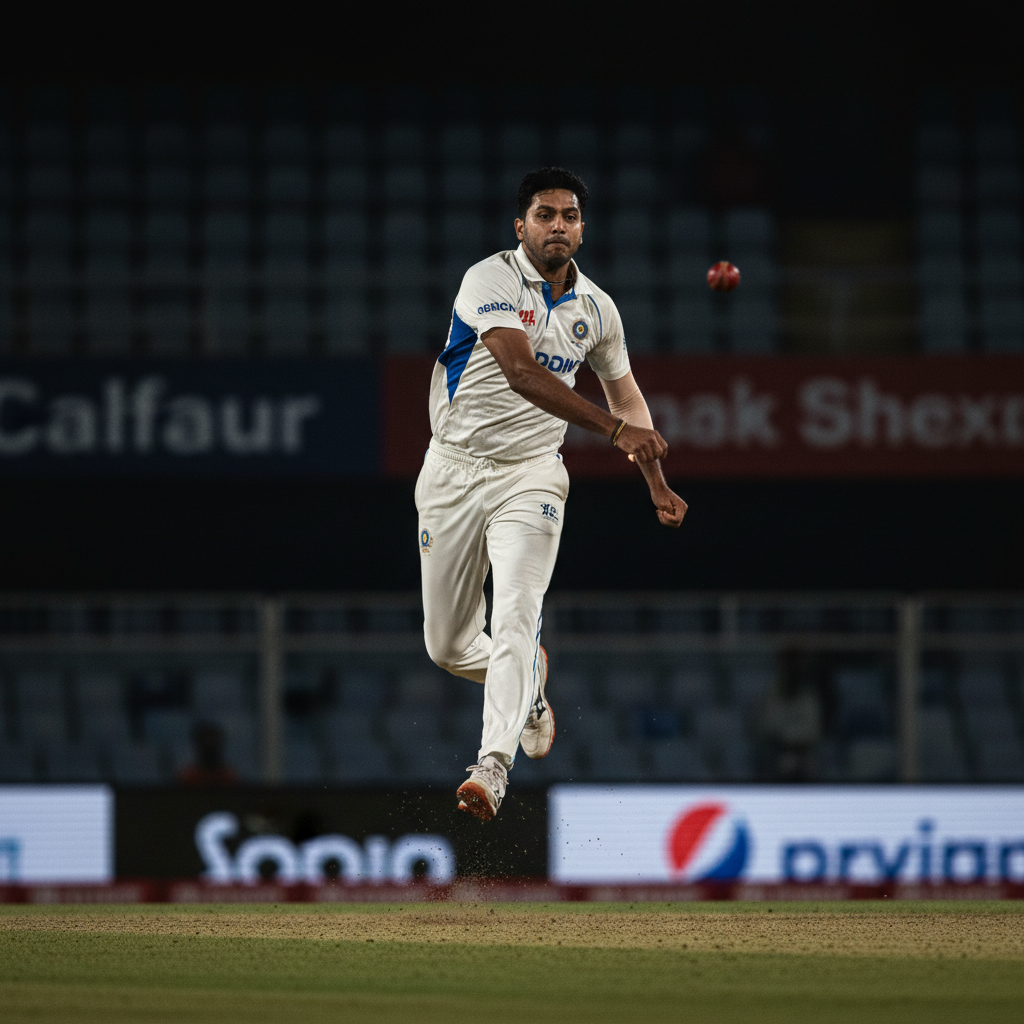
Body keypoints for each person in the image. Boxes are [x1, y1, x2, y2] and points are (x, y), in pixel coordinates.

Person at [417, 167, 687, 821]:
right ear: (522, 227)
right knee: (448, 647)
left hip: (532, 474)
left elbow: (630, 405)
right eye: (545, 214)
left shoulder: (598, 311)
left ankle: (492, 767)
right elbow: (520, 373)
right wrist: (616, 428)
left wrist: (655, 479)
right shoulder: (490, 279)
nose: (557, 225)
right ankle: (529, 683)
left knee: (514, 610)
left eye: (569, 215)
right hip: (452, 470)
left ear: (582, 229)